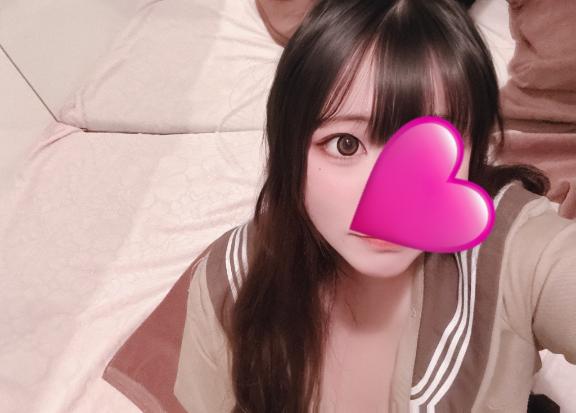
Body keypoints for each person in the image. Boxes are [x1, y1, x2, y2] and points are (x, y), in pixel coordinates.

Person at [172, 0, 576, 411]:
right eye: (346, 145)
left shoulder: (514, 249)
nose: (390, 202)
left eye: (429, 146)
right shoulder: (229, 283)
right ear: (289, 147)